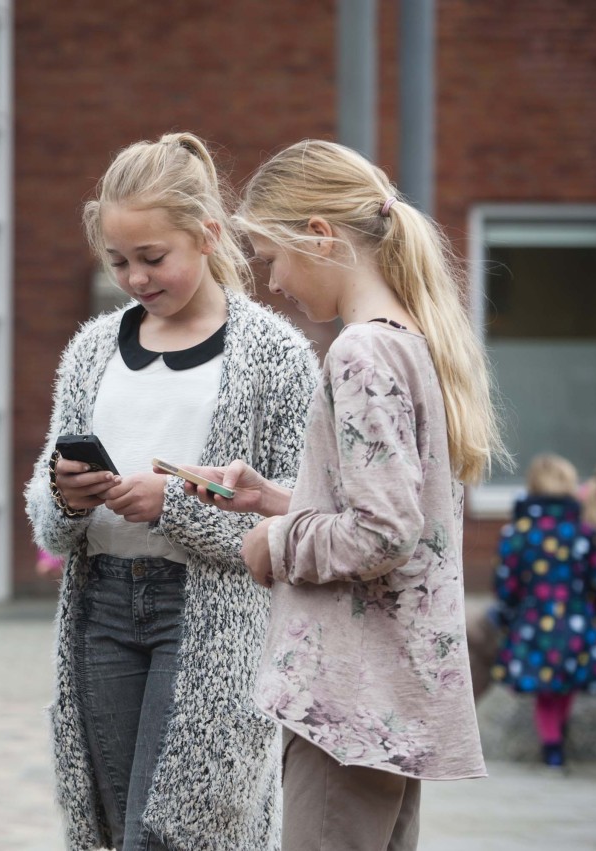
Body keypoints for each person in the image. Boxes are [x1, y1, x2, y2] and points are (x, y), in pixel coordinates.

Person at [182, 139, 505, 851]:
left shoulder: (360, 352)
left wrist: (275, 542)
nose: (272, 283)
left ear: (320, 236)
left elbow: (382, 533)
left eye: (272, 257)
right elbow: (394, 504)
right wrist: (277, 498)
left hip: (348, 699)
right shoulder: (410, 343)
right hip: (386, 695)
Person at [25, 132, 317, 850]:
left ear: (208, 235)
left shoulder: (276, 357)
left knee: (180, 834)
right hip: (100, 607)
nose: (135, 277)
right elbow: (46, 517)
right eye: (118, 261)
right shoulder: (93, 349)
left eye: (153, 257)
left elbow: (294, 524)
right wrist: (66, 494)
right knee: (116, 828)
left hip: (211, 618)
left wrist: (174, 506)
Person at [491, 453, 596, 767]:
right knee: (566, 683)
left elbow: (506, 582)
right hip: (576, 620)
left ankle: (552, 745)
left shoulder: (518, 532)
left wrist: (508, 613)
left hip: (533, 622)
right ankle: (557, 734)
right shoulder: (583, 533)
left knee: (545, 690)